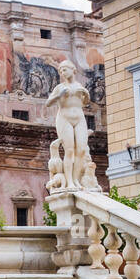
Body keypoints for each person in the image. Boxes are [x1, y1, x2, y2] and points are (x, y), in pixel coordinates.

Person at [45, 60, 97, 191]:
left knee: (81, 150)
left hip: (79, 118)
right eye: (61, 71)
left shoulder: (79, 86)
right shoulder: (60, 87)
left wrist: (86, 94)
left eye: (65, 70)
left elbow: (85, 102)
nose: (63, 73)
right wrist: (59, 95)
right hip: (64, 118)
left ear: (73, 70)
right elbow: (48, 103)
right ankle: (69, 182)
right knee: (69, 151)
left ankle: (75, 179)